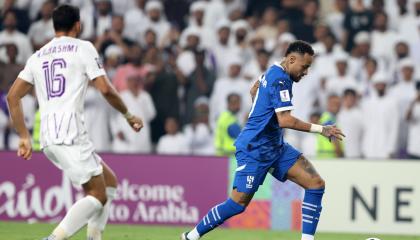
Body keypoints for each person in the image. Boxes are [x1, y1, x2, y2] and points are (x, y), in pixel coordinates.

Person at [181, 40, 345, 240]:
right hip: (254, 149)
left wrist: (255, 99)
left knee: (316, 184)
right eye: (304, 66)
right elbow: (284, 120)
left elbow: (258, 99)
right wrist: (322, 129)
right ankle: (190, 237)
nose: (306, 72)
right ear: (292, 59)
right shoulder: (280, 79)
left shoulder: (272, 72)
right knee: (237, 204)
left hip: (275, 147)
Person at [6, 5, 143, 240]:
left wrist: (23, 136)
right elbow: (105, 90)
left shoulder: (38, 55)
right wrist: (129, 115)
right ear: (78, 25)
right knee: (98, 195)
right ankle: (53, 239)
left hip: (48, 138)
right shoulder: (83, 48)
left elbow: (12, 96)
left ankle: (94, 238)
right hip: (70, 133)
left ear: (54, 26)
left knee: (109, 181)